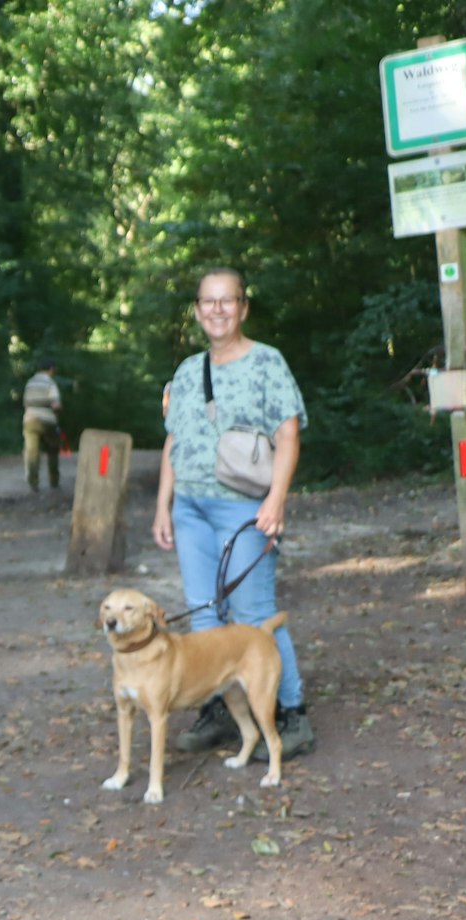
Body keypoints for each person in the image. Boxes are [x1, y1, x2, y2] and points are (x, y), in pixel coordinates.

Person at [152, 267, 314, 760]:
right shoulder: (185, 371)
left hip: (244, 507)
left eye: (228, 301)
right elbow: (173, 441)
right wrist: (163, 505)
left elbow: (288, 436)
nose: (217, 310)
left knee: (253, 613)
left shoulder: (268, 362)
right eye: (208, 301)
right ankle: (221, 706)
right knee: (205, 616)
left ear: (243, 307)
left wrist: (276, 499)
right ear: (198, 310)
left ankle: (292, 712)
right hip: (191, 509)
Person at [21, 357, 63, 491]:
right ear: (51, 369)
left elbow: (25, 403)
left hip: (30, 420)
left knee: (32, 452)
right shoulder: (50, 383)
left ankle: (33, 483)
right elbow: (56, 405)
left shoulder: (30, 383)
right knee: (53, 450)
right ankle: (54, 481)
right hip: (47, 421)